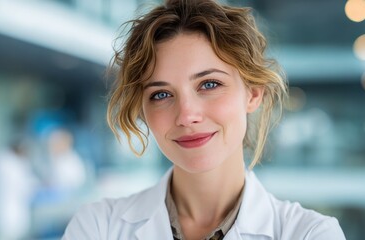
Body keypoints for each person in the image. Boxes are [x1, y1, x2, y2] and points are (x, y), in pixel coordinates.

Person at [62, 0, 346, 239]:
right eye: (161, 94)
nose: (187, 115)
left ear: (253, 93)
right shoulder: (98, 227)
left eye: (209, 84)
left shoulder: (311, 233)